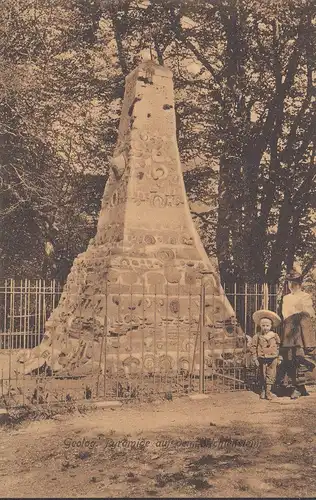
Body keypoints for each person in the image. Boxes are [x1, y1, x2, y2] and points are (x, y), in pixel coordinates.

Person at [279, 270, 316, 399]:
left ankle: (299, 387)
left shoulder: (305, 296)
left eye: (294, 283)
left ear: (299, 283)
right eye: (290, 283)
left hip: (302, 328)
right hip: (290, 328)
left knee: (301, 356)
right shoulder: (286, 298)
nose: (291, 286)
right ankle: (299, 386)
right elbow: (285, 314)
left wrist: (300, 309)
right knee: (290, 357)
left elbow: (309, 313)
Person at [250, 309, 281, 400]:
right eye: (263, 325)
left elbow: (279, 346)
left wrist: (279, 357)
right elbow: (253, 347)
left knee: (271, 374)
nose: (265, 328)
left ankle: (268, 391)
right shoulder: (257, 336)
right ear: (260, 326)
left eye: (267, 325)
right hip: (262, 358)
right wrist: (255, 358)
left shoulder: (275, 336)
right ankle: (263, 390)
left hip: (273, 358)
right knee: (262, 374)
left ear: (271, 326)